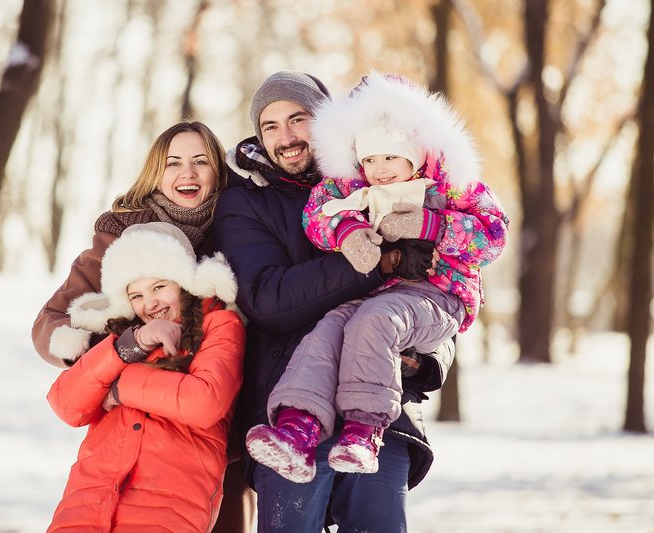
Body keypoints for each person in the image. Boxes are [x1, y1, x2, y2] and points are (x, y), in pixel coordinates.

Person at [213, 70, 457, 532]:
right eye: (270, 126)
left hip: (382, 419)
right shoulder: (246, 203)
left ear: (326, 120)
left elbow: (438, 293)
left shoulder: (383, 171)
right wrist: (381, 262)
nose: (285, 137)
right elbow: (268, 298)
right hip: (289, 413)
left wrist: (426, 363)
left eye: (298, 119)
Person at [244, 73, 509, 483]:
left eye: (390, 157)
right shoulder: (356, 188)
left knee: (375, 322)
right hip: (377, 294)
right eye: (369, 160)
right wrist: (348, 234)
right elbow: (318, 212)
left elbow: (494, 235)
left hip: (437, 295)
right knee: (327, 330)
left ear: (415, 154)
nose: (380, 170)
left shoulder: (450, 187)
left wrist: (433, 225)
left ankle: (364, 429)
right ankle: (298, 428)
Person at [31, 121, 255, 531]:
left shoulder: (242, 228)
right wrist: (117, 354)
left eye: (200, 162)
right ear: (156, 172)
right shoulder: (122, 238)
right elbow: (53, 323)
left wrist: (125, 382)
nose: (186, 173)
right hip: (131, 430)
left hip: (222, 429)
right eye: (173, 163)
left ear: (217, 174)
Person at [46, 222, 245, 532]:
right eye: (135, 295)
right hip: (85, 508)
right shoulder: (122, 339)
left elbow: (203, 402)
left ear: (183, 281)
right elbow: (65, 404)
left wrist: (122, 387)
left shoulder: (219, 325)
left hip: (166, 509)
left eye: (159, 286)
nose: (150, 303)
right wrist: (129, 346)